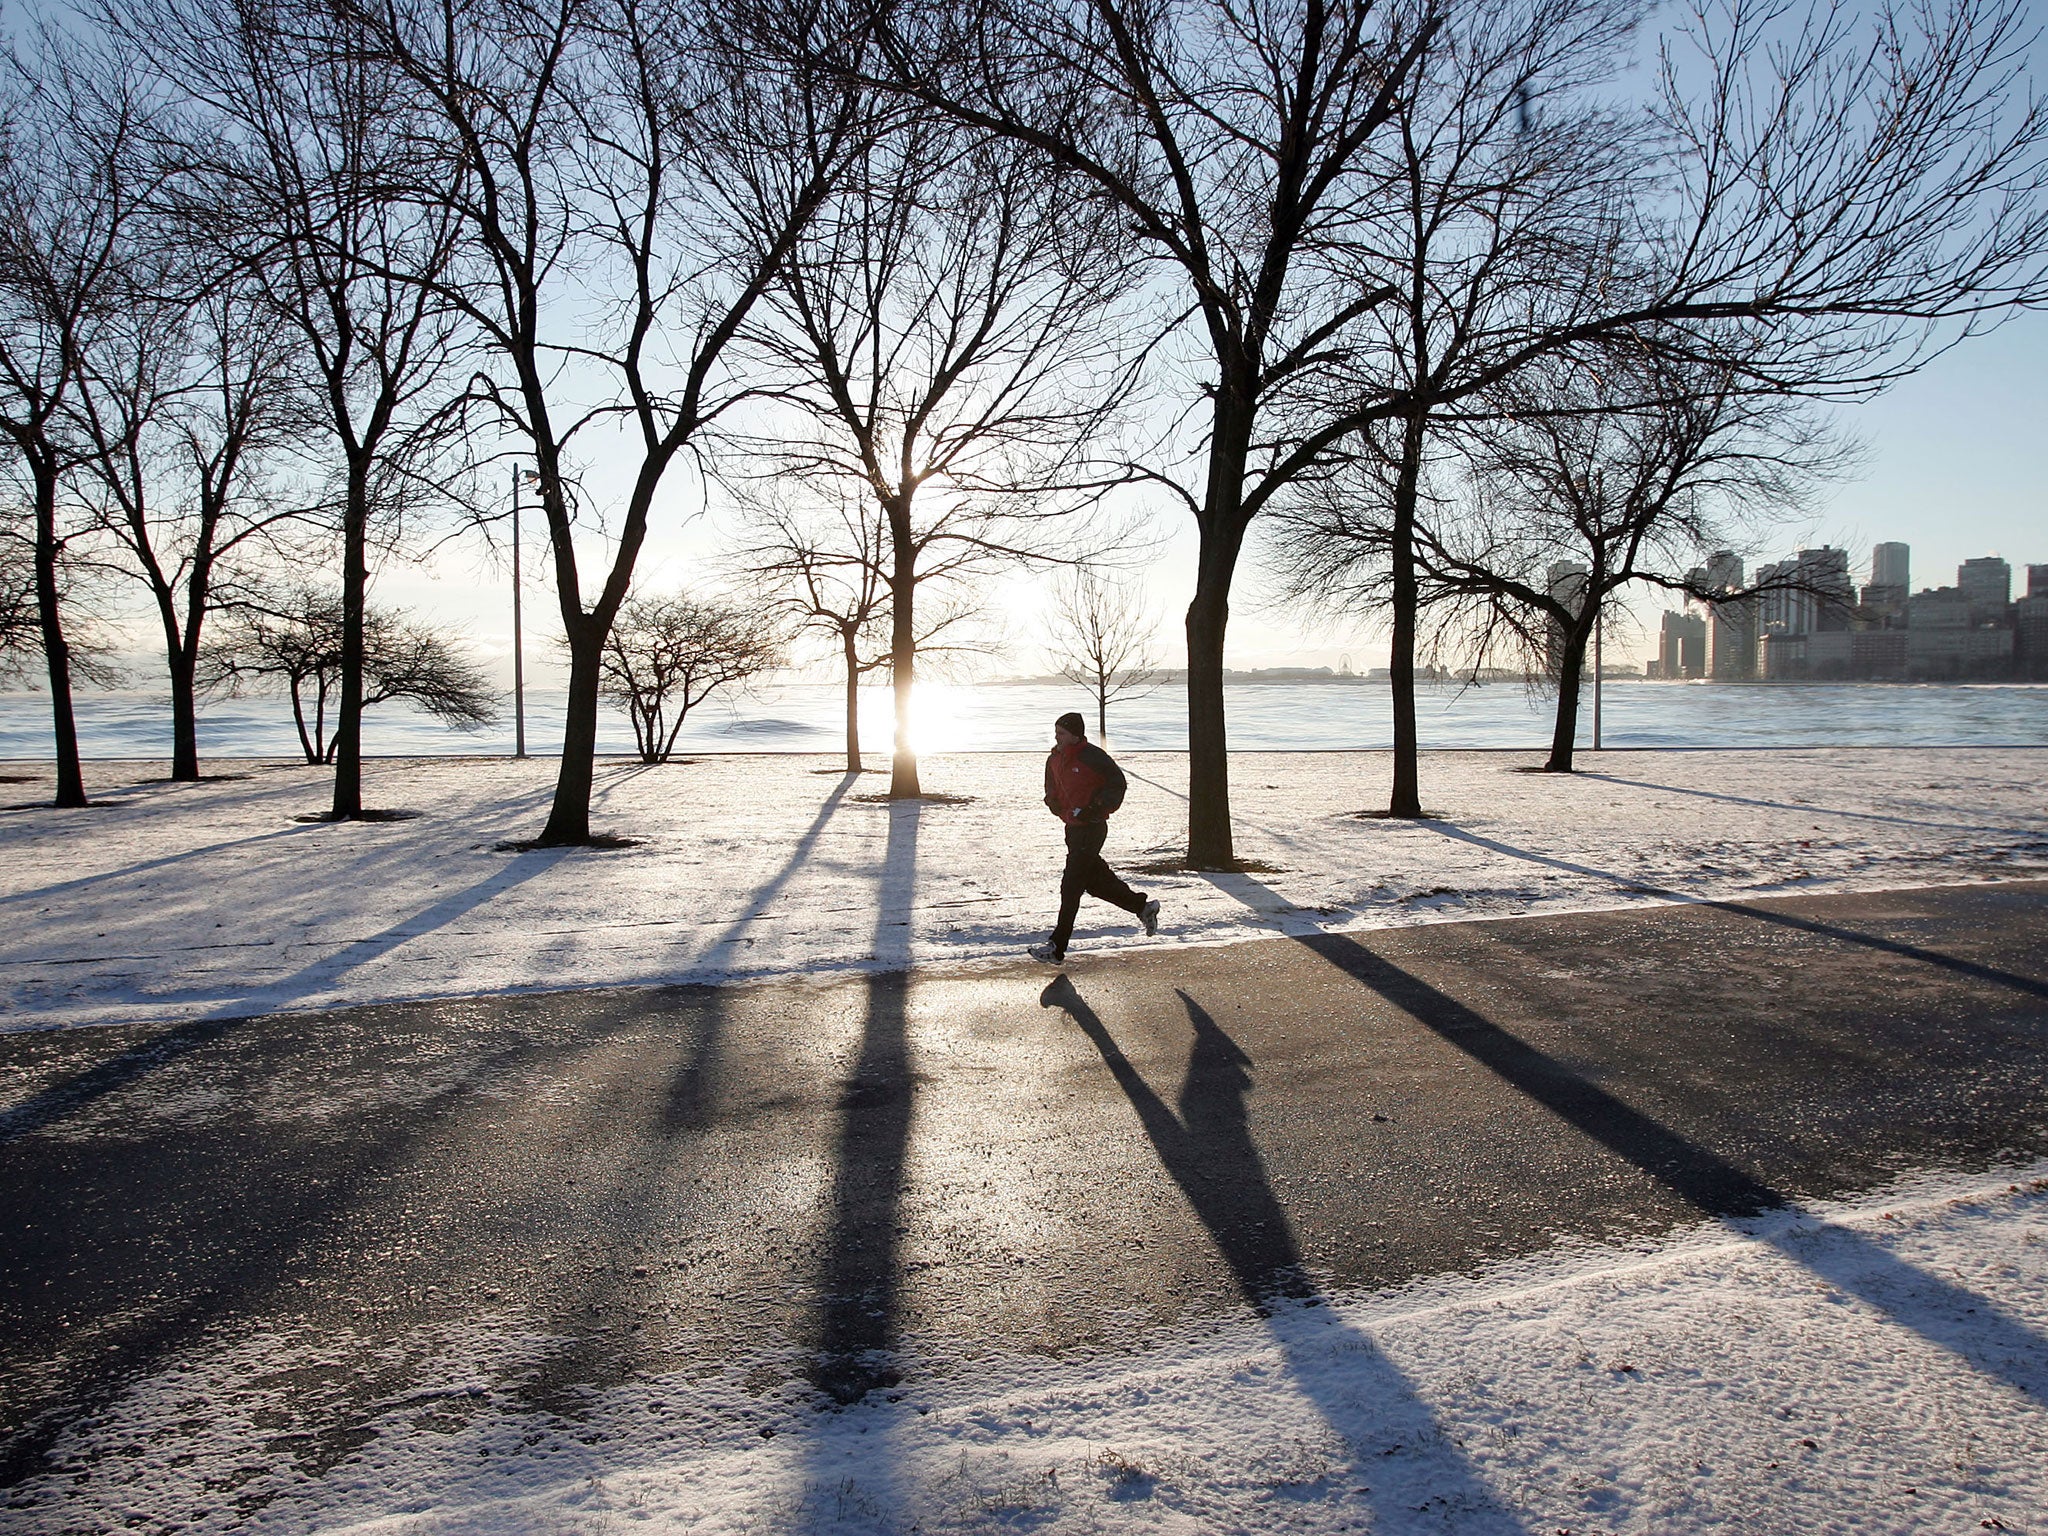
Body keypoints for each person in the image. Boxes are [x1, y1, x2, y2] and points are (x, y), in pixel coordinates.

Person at [1029, 711, 1161, 963]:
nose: (1057, 737)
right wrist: (1053, 803)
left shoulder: (1093, 757)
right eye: (1056, 732)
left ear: (1075, 735)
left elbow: (1117, 784)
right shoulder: (1054, 759)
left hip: (1092, 827)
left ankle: (1056, 948)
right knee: (1095, 883)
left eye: (1062, 733)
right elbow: (1051, 787)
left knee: (1070, 886)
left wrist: (1096, 808)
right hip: (1072, 828)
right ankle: (1142, 907)